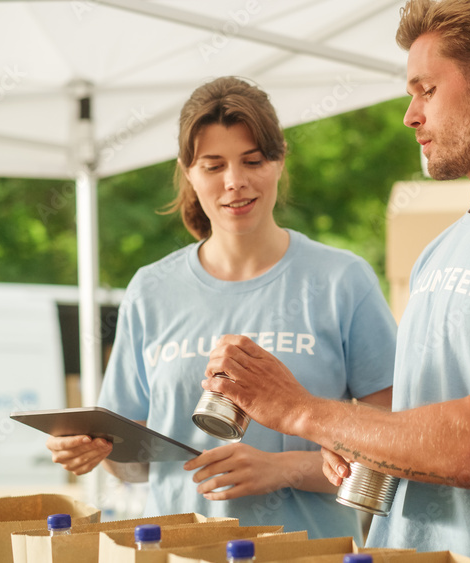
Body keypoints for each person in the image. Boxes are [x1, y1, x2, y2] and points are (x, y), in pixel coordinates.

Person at [200, 1, 470, 561]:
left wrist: (299, 411)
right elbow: (422, 429)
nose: (410, 115)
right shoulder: (441, 250)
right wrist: (358, 441)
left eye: (426, 90)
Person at [46, 76, 396, 541]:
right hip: (176, 550)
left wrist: (285, 469)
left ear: (280, 159)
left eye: (252, 161)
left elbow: (395, 449)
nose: (235, 182)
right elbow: (134, 467)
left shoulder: (341, 280)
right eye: (213, 166)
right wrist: (95, 450)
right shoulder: (151, 289)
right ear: (188, 172)